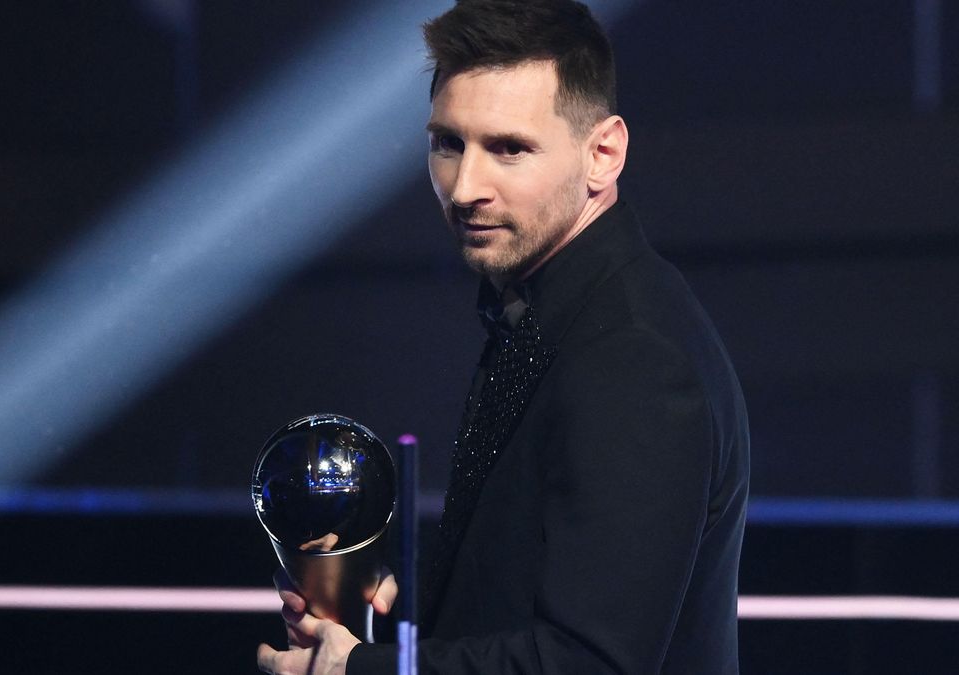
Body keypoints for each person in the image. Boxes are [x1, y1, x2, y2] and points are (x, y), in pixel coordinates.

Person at [257, 1, 749, 672]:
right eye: (447, 143)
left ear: (603, 153)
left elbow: (590, 661)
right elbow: (523, 594)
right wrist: (392, 617)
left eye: (509, 149)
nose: (465, 188)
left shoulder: (632, 353)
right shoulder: (549, 308)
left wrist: (361, 670)